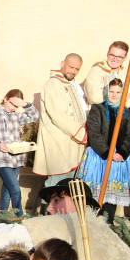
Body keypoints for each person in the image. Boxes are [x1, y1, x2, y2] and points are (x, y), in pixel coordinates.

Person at [77, 78, 130, 225]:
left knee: (111, 191)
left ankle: (108, 222)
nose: (114, 95)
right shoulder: (98, 109)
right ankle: (92, 222)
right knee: (94, 193)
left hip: (118, 157)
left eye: (118, 92)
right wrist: (106, 152)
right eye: (111, 91)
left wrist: (122, 153)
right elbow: (94, 133)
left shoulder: (128, 112)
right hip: (100, 156)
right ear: (106, 92)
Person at [0, 89, 40, 216]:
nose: (14, 108)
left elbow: (34, 116)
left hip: (17, 159)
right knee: (15, 189)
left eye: (17, 106)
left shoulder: (16, 116)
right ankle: (19, 215)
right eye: (12, 104)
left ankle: (2, 215)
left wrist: (25, 105)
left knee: (7, 188)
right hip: (1, 158)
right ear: (6, 98)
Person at [34, 54, 88, 190]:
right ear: (62, 64)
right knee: (55, 185)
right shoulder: (53, 84)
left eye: (77, 69)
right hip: (57, 142)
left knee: (67, 185)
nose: (73, 71)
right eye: (71, 67)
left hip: (71, 142)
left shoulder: (71, 85)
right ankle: (47, 205)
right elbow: (58, 115)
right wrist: (81, 133)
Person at [82, 40, 130, 111]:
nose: (115, 59)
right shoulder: (96, 71)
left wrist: (111, 97)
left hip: (123, 114)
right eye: (112, 55)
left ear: (125, 58)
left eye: (119, 57)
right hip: (101, 114)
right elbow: (94, 98)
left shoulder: (128, 74)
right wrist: (124, 98)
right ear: (107, 54)